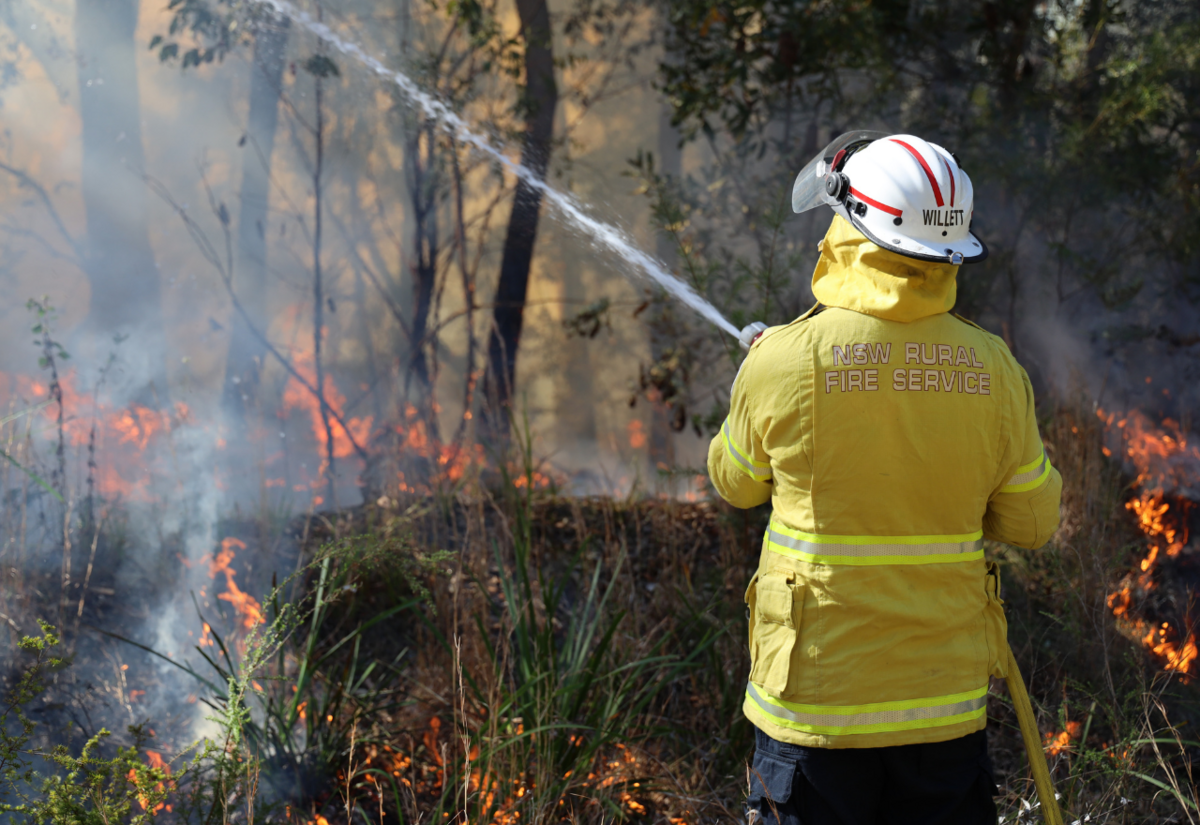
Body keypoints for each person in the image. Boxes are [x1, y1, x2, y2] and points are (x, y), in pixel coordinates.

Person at [707, 133, 1063, 825]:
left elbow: (735, 482)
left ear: (851, 228)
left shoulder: (781, 359)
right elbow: (1032, 523)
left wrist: (752, 384)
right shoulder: (994, 368)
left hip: (815, 708)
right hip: (942, 712)